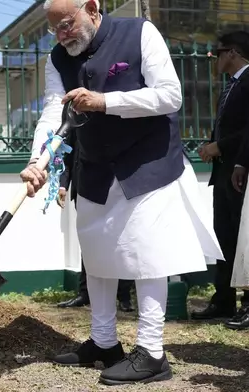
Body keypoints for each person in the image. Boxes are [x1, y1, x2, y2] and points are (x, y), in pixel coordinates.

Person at [19, 0, 224, 385]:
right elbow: (53, 113)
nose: (62, 36)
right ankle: (103, 342)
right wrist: (38, 162)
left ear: (92, 8)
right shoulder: (57, 59)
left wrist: (105, 102)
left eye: (67, 24)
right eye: (55, 30)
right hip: (96, 168)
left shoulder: (141, 32)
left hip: (149, 163)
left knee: (147, 254)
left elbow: (170, 96)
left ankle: (152, 352)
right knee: (96, 254)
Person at [194, 31, 249, 327]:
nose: (214, 58)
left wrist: (222, 146)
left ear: (234, 52)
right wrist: (213, 147)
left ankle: (247, 303)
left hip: (242, 173)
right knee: (224, 238)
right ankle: (223, 299)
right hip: (224, 172)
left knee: (245, 241)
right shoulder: (231, 86)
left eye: (218, 52)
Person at [55, 127, 134, 312]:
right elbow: (68, 151)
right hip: (82, 189)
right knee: (89, 240)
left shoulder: (109, 109)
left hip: (113, 187)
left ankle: (124, 295)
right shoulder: (77, 115)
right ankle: (85, 293)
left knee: (121, 240)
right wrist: (63, 185)